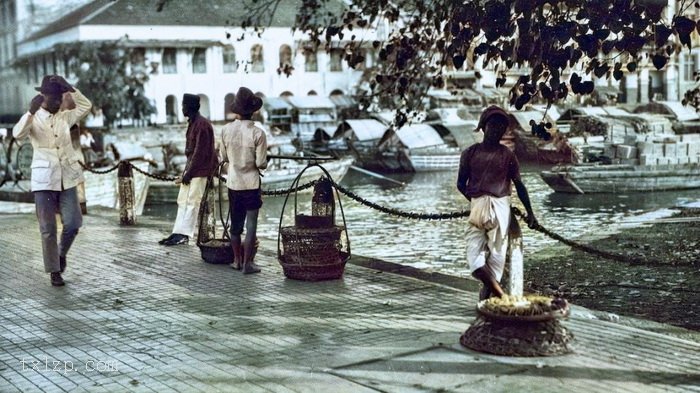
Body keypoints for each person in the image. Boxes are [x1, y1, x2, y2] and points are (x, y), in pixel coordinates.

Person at [12, 75, 92, 286]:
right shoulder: (33, 117)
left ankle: (61, 254)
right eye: (54, 98)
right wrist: (30, 112)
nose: (58, 102)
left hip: (67, 177)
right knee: (48, 229)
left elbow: (86, 105)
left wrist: (71, 88)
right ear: (43, 97)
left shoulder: (66, 117)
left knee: (74, 223)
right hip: (44, 180)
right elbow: (17, 135)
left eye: (60, 97)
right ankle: (54, 272)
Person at [456, 105, 538, 300]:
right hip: (478, 206)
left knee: (497, 260)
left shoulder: (507, 155)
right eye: (493, 125)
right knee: (475, 261)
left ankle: (487, 303)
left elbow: (519, 185)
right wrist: (477, 201)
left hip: (501, 207)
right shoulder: (470, 153)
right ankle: (502, 297)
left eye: (501, 127)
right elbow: (461, 184)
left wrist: (531, 213)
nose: (496, 130)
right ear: (483, 127)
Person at [159, 94, 218, 246]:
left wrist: (189, 173)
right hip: (192, 168)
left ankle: (184, 235)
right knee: (182, 200)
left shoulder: (202, 125)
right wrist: (187, 172)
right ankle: (177, 232)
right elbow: (193, 153)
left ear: (190, 107)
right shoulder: (194, 123)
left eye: (184, 106)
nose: (182, 108)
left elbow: (200, 153)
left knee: (192, 201)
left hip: (201, 170)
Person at [220, 87, 267, 274]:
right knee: (251, 225)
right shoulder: (258, 133)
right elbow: (261, 163)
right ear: (253, 111)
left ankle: (237, 260)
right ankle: (248, 264)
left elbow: (223, 157)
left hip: (233, 183)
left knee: (235, 225)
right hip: (251, 184)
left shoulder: (225, 130)